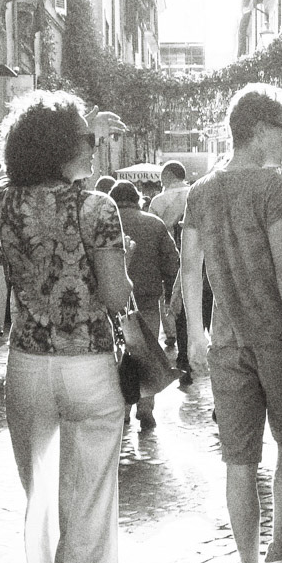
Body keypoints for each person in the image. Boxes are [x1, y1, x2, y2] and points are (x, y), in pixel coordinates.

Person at [0, 90, 133, 563]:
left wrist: (74, 133)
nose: (92, 147)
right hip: (89, 367)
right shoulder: (99, 208)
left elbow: (24, 185)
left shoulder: (1, 201)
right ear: (66, 146)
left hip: (27, 366)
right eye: (86, 139)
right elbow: (116, 295)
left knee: (42, 505)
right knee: (86, 509)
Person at [180, 84, 282, 563]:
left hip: (226, 341)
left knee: (239, 462)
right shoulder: (276, 188)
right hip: (277, 339)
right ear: (258, 130)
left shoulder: (201, 192)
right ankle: (279, 548)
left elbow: (189, 268)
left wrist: (195, 335)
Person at [110, 180, 179, 430]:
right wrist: (170, 294)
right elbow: (172, 262)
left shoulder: (107, 223)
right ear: (137, 199)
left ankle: (123, 409)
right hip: (147, 300)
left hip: (113, 301)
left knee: (118, 353)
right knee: (146, 353)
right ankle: (146, 407)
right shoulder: (154, 223)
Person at [150, 160, 195, 384]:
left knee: (176, 303)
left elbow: (154, 234)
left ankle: (182, 353)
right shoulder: (195, 193)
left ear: (168, 175)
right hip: (196, 257)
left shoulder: (158, 201)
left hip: (171, 260)